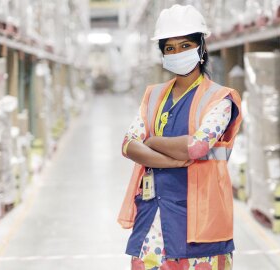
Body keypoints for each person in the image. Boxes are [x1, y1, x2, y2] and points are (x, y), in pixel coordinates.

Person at [118, 4, 242, 270]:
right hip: (153, 220)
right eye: (170, 48)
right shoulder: (153, 95)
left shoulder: (220, 99)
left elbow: (197, 147)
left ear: (201, 48)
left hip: (200, 222)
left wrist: (151, 142)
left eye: (185, 45)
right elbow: (128, 145)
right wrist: (173, 160)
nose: (177, 53)